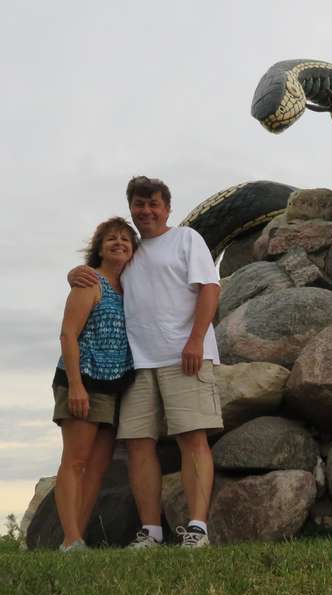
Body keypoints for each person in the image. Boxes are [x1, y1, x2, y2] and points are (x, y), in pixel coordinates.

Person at [69, 176, 222, 549]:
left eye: (154, 204)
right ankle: (151, 532)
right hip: (136, 363)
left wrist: (196, 340)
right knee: (138, 444)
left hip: (185, 354)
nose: (147, 210)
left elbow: (210, 288)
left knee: (192, 437)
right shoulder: (131, 253)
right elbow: (100, 275)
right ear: (132, 208)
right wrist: (74, 273)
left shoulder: (187, 239)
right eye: (139, 204)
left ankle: (197, 529)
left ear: (167, 208)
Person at [54, 217, 138, 552]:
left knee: (98, 466)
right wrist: (76, 385)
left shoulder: (129, 288)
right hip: (83, 379)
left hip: (114, 385)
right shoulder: (90, 282)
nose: (119, 243)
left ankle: (77, 539)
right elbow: (68, 334)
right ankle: (70, 539)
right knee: (75, 461)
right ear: (99, 248)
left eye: (126, 240)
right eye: (111, 239)